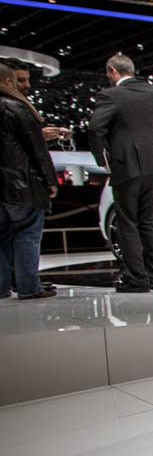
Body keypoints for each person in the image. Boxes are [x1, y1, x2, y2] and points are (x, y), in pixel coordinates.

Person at [89, 53, 153, 293]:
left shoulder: (110, 95)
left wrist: (102, 159)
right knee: (148, 222)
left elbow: (95, 129)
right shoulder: (150, 91)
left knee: (127, 223)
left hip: (126, 166)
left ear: (112, 71)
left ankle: (137, 278)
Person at [0, 62, 57, 300]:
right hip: (21, 186)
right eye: (17, 80)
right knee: (27, 235)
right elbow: (37, 150)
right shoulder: (17, 107)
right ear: (7, 81)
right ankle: (28, 288)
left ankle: (2, 288)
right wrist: (50, 180)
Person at [3, 59, 69, 144]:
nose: (27, 85)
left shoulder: (22, 107)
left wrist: (54, 136)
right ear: (6, 81)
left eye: (28, 80)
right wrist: (38, 136)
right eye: (21, 80)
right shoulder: (6, 108)